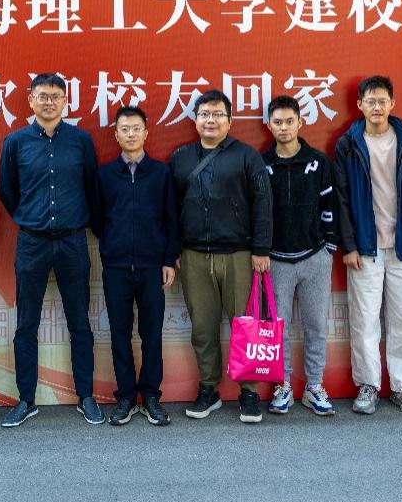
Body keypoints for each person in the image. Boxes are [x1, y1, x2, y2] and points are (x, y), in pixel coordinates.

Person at [0, 74, 102, 427]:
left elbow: (92, 187)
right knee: (26, 323)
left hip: (73, 241)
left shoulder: (81, 141)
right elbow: (7, 190)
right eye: (42, 96)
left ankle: (86, 396)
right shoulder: (15, 142)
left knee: (79, 322)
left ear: (65, 101)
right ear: (30, 100)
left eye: (56, 96)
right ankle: (26, 399)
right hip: (32, 242)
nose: (49, 102)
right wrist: (31, 218)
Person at [169, 89, 273, 424]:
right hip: (194, 256)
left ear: (229, 120)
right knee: (202, 327)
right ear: (195, 120)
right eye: (204, 114)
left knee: (245, 326)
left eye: (217, 114)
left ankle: (249, 392)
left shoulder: (247, 156)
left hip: (239, 255)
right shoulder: (181, 158)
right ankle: (208, 389)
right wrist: (173, 250)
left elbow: (262, 203)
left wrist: (261, 249)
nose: (210, 120)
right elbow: (170, 209)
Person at [333, 75, 402, 416]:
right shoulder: (348, 144)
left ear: (392, 104)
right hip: (365, 248)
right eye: (370, 101)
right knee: (364, 321)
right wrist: (348, 244)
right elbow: (341, 199)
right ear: (359, 105)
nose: (376, 107)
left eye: (382, 101)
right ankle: (368, 385)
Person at [91, 106, 180, 426]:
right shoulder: (104, 175)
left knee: (152, 333)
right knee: (119, 334)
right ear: (116, 135)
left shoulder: (160, 173)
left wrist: (168, 259)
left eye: (136, 128)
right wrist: (114, 244)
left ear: (146, 132)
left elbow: (172, 220)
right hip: (116, 267)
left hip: (152, 266)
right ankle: (126, 396)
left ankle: (151, 396)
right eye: (125, 129)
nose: (131, 134)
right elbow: (97, 219)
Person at [261, 95, 338, 417]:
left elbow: (330, 207)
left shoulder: (318, 162)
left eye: (289, 121)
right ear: (269, 125)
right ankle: (283, 386)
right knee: (277, 327)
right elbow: (257, 213)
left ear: (300, 123)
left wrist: (329, 247)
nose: (284, 127)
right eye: (277, 122)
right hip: (276, 260)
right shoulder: (261, 164)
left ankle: (314, 386)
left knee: (316, 325)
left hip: (314, 257)